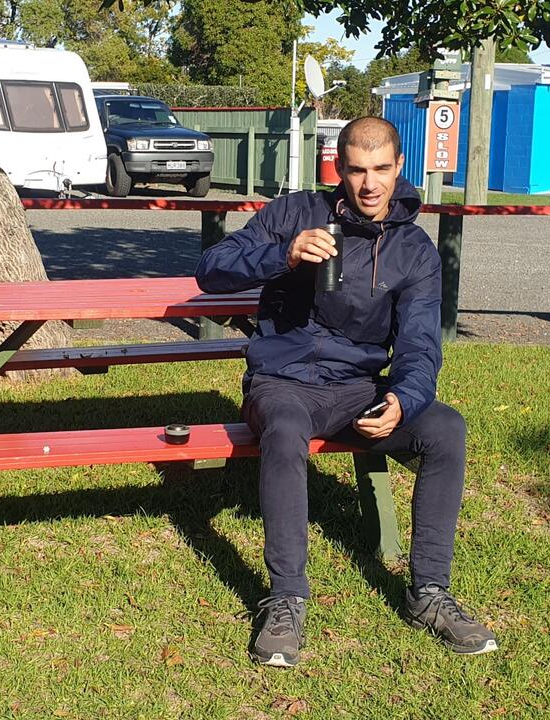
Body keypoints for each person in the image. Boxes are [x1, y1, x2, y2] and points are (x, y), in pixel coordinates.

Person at [195, 116, 497, 668]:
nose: (369, 184)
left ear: (399, 167)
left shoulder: (414, 250)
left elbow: (420, 344)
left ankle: (429, 593)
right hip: (282, 382)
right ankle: (287, 598)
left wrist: (403, 399)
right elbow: (211, 270)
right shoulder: (296, 213)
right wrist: (283, 254)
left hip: (358, 389)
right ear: (339, 168)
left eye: (381, 169)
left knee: (445, 429)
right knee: (285, 428)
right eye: (357, 170)